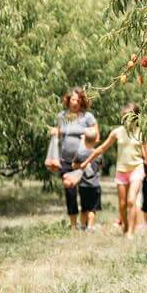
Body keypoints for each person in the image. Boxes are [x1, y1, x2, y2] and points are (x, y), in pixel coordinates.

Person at [87, 102, 147, 237]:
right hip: (121, 171)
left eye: (129, 116)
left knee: (131, 200)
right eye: (124, 116)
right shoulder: (117, 132)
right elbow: (102, 148)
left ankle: (130, 232)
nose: (126, 119)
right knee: (122, 205)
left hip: (137, 169)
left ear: (136, 117)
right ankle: (126, 225)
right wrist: (87, 160)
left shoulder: (141, 133)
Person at [50, 88, 98, 229]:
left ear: (82, 101)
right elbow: (59, 134)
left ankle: (85, 223)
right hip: (66, 161)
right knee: (70, 192)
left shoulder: (87, 117)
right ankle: (73, 225)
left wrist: (86, 147)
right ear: (68, 100)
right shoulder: (62, 116)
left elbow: (96, 136)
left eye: (78, 100)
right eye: (72, 99)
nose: (75, 102)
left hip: (83, 161)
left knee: (85, 192)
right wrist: (54, 132)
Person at [63, 130, 110, 230]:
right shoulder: (99, 154)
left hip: (83, 185)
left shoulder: (79, 154)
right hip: (95, 185)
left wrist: (80, 166)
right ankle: (90, 227)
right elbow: (101, 166)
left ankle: (83, 225)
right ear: (95, 141)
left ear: (84, 141)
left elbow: (73, 165)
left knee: (84, 208)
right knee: (92, 209)